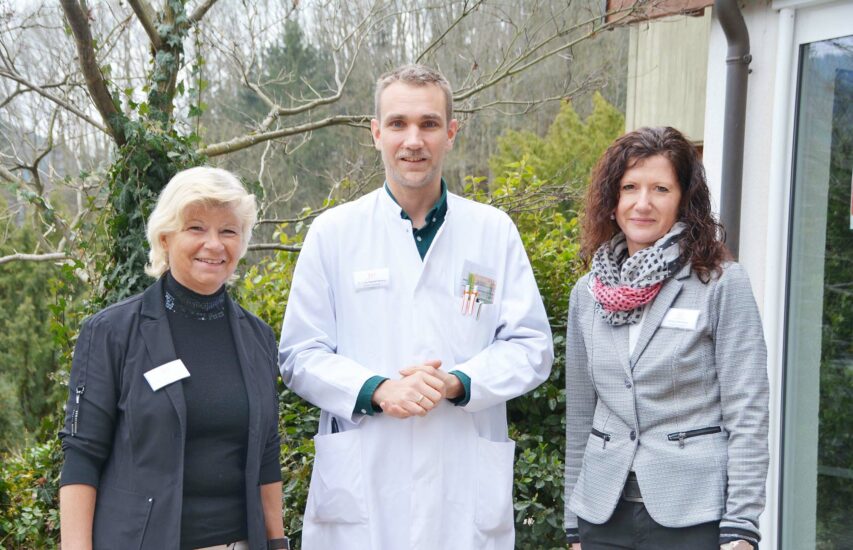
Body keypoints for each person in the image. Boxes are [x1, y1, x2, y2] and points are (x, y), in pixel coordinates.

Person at [279, 64, 553, 550]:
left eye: (429, 124)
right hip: (364, 488)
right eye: (398, 124)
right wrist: (378, 390)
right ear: (376, 133)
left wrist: (458, 382)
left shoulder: (493, 232)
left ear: (451, 133)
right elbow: (300, 355)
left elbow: (532, 347)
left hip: (461, 486)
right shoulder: (334, 233)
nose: (413, 140)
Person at [58, 167, 289, 550]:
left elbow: (266, 454)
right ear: (165, 237)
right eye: (196, 228)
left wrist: (277, 542)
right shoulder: (112, 332)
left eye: (228, 231)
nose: (214, 244)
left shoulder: (258, 338)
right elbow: (83, 456)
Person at [563, 127, 769, 550]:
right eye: (630, 188)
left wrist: (742, 523)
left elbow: (748, 410)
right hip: (602, 514)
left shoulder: (720, 284)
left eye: (660, 189)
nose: (643, 203)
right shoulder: (587, 293)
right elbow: (581, 414)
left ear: (683, 201)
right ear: (612, 200)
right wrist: (572, 521)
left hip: (693, 513)